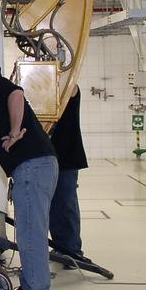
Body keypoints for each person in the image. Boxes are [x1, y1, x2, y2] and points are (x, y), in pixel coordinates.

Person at [0, 59, 57, 290]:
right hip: (35, 168)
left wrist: (14, 131)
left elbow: (17, 95)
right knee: (29, 232)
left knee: (31, 234)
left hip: (33, 168)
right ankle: (31, 286)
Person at [47, 88, 89, 260]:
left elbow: (71, 87)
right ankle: (61, 246)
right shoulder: (48, 91)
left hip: (67, 155)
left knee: (65, 202)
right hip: (50, 154)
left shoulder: (70, 88)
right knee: (54, 205)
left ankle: (72, 249)